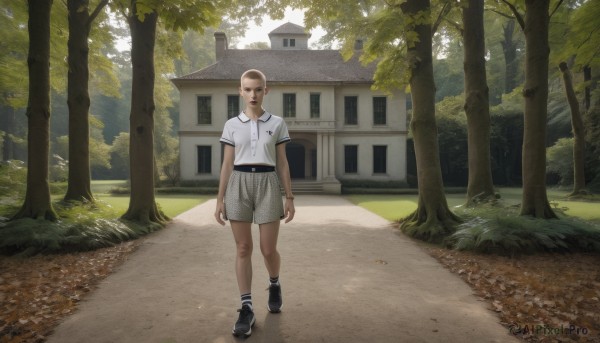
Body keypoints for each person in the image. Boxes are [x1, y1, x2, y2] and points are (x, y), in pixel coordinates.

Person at [214, 69, 295, 338]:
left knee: (268, 249)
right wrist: (220, 198)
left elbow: (282, 162)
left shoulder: (277, 123)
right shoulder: (231, 124)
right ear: (241, 91)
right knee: (243, 248)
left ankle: (274, 283)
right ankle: (246, 307)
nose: (253, 94)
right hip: (238, 183)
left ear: (265, 91)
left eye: (258, 89)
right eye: (247, 89)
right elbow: (226, 164)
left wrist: (290, 197)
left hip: (268, 183)